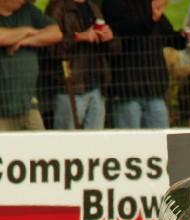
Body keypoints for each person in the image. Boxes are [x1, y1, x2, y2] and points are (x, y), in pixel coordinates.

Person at [101, 0, 190, 128]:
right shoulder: (114, 4)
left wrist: (184, 37)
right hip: (127, 91)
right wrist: (151, 19)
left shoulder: (149, 5)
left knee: (160, 142)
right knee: (130, 144)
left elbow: (168, 36)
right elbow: (125, 32)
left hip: (154, 90)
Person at [44, 0, 115, 129]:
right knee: (67, 143)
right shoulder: (57, 7)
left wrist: (109, 39)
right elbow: (50, 48)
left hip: (96, 86)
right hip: (69, 87)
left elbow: (113, 49)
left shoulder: (93, 7)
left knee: (94, 144)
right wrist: (79, 37)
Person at [0, 0, 61, 131]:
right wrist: (27, 30)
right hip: (2, 108)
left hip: (28, 103)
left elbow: (55, 33)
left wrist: (25, 41)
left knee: (42, 148)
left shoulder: (28, 9)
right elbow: (2, 37)